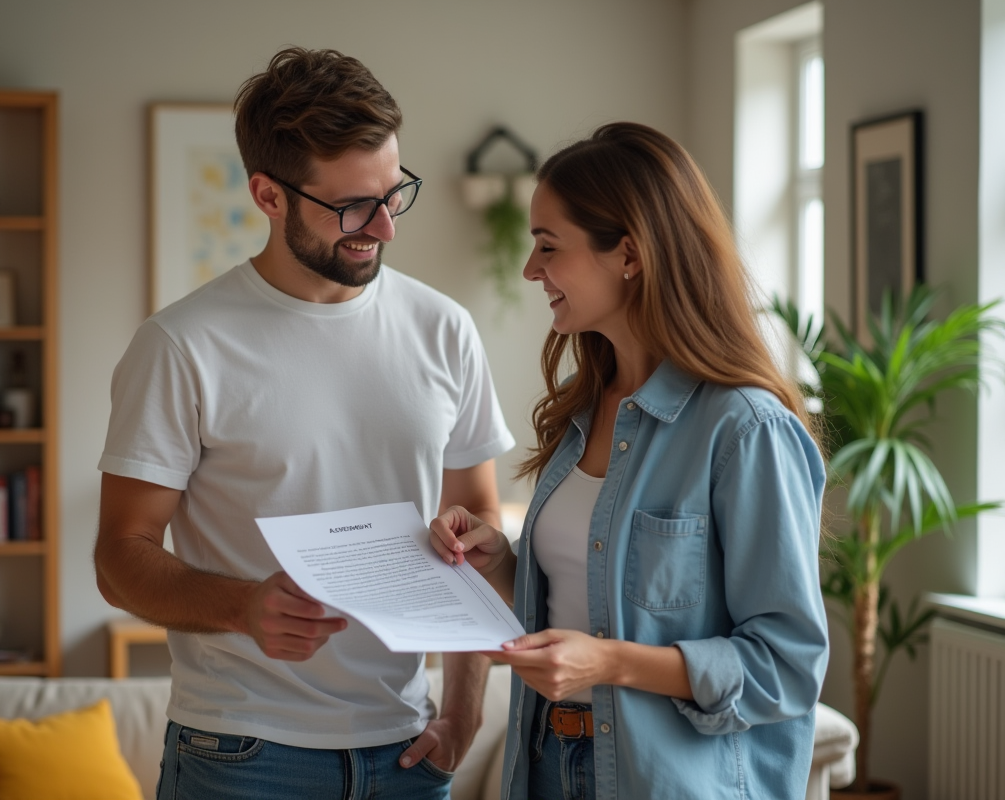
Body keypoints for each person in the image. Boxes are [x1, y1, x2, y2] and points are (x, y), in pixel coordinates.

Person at [95, 47, 515, 800]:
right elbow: (119, 557)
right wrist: (241, 607)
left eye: (393, 193)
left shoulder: (443, 329)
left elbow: (476, 526)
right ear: (268, 195)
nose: (383, 228)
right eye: (352, 206)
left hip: (408, 753)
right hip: (240, 753)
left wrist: (463, 712)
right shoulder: (182, 345)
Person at [429, 122, 829, 799]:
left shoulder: (744, 429)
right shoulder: (581, 414)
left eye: (548, 247)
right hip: (548, 764)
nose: (531, 271)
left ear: (629, 255)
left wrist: (609, 664)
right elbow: (582, 609)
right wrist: (499, 563)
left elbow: (787, 667)